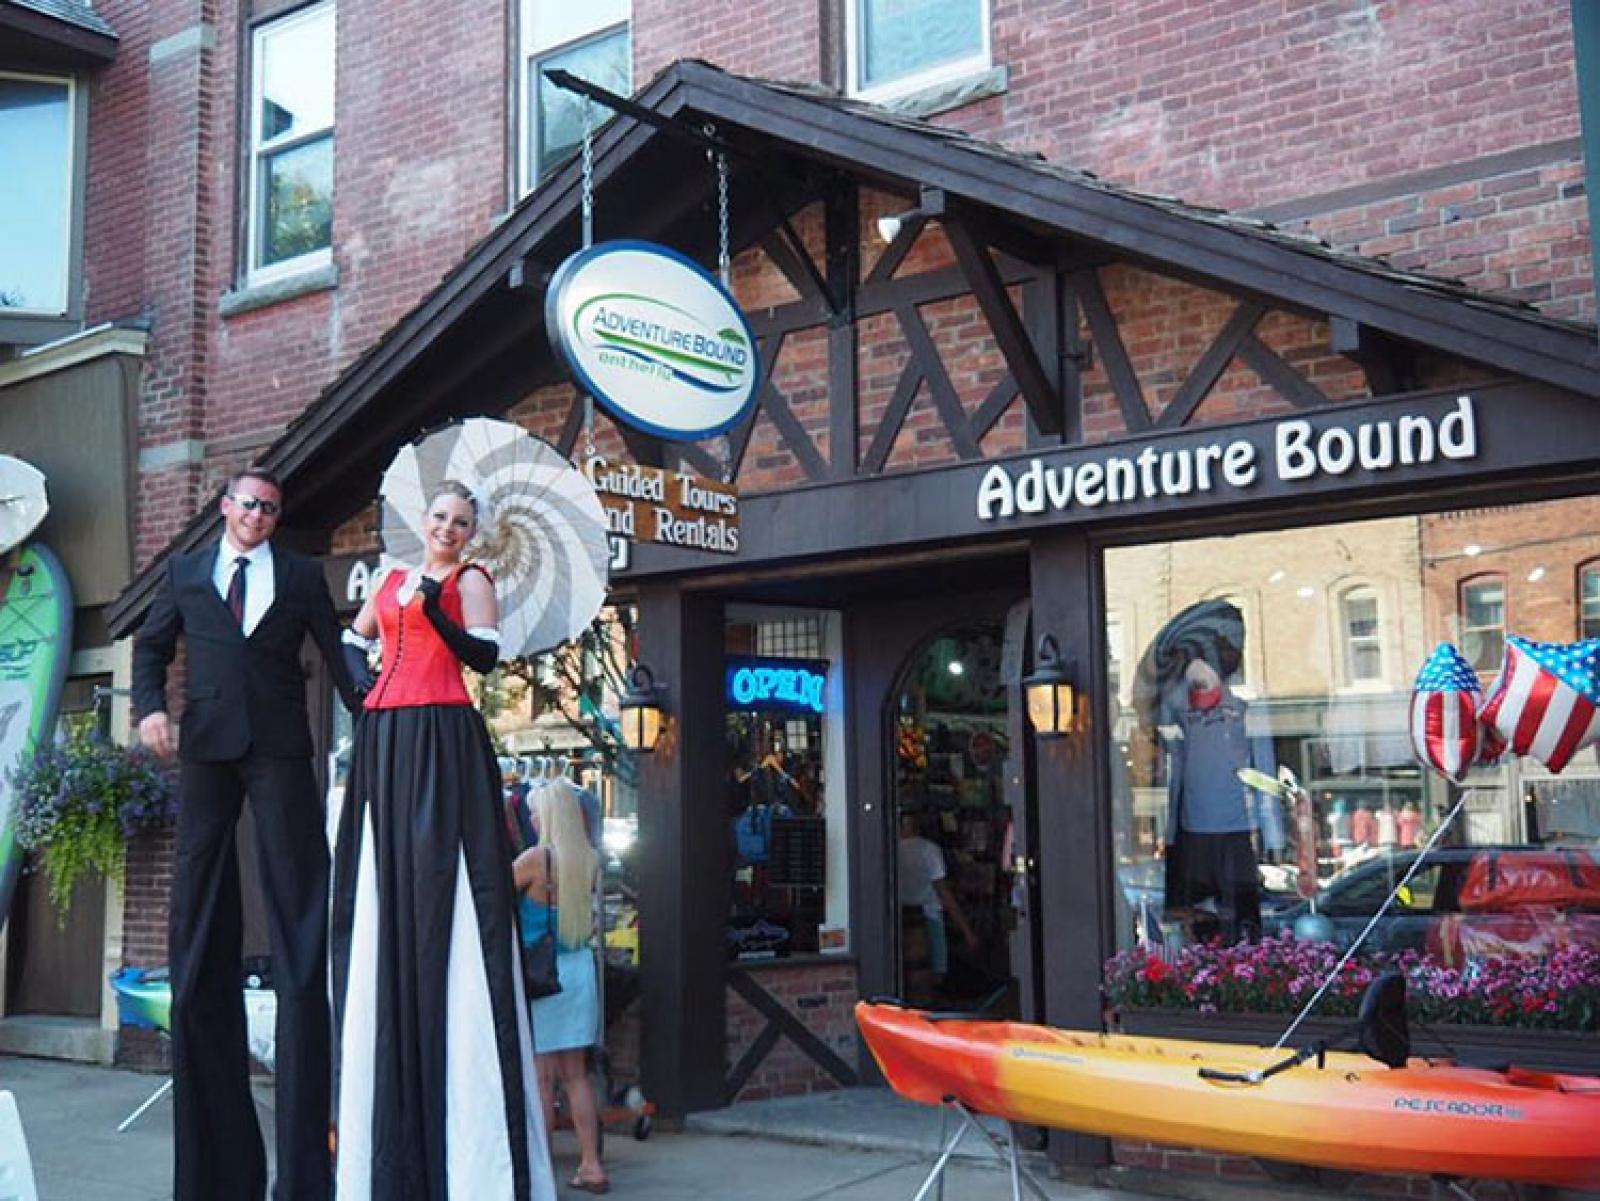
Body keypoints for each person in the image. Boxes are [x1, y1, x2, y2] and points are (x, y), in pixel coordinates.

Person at [132, 468, 360, 1201]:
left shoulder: (299, 576)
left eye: (269, 508)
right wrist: (149, 709)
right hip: (207, 745)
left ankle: (304, 1174)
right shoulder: (186, 573)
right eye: (248, 503)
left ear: (276, 518)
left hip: (279, 747)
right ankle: (218, 1170)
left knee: (299, 907)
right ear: (226, 507)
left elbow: (339, 656)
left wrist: (380, 713)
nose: (258, 515)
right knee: (199, 909)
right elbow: (150, 648)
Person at [329, 481, 554, 1200]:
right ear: (423, 520)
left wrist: (435, 612)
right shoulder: (391, 578)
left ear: (472, 531)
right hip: (384, 736)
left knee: (446, 895)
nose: (449, 528)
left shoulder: (472, 580)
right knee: (380, 890)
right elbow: (353, 637)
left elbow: (483, 659)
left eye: (461, 521)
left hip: (441, 733)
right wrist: (360, 689)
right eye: (440, 517)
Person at [514, 778, 608, 1195]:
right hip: (579, 969)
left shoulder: (535, 860)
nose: (531, 818)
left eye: (536, 812)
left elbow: (489, 893)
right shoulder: (590, 859)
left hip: (543, 973)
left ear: (550, 815)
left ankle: (542, 1170)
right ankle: (592, 1165)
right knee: (577, 1075)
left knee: (541, 1079)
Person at [896, 810, 977, 995]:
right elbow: (943, 892)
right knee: (936, 971)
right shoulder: (929, 850)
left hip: (902, 916)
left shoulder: (893, 849)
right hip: (929, 915)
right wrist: (966, 931)